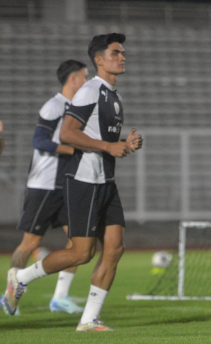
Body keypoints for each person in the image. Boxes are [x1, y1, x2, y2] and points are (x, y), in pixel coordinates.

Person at [6, 33, 143, 331]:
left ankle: (89, 319)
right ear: (99, 60)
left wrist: (123, 143)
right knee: (82, 252)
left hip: (106, 180)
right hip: (84, 180)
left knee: (115, 248)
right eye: (116, 53)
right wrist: (109, 147)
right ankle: (21, 278)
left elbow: (96, 139)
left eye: (123, 52)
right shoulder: (89, 91)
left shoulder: (112, 94)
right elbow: (67, 133)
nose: (122, 57)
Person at [2, 60, 87, 316]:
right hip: (44, 186)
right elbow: (39, 141)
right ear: (73, 79)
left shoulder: (77, 109)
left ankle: (60, 298)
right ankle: (10, 294)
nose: (86, 81)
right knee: (29, 243)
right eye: (84, 77)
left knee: (79, 243)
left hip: (67, 186)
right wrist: (73, 148)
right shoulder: (54, 106)